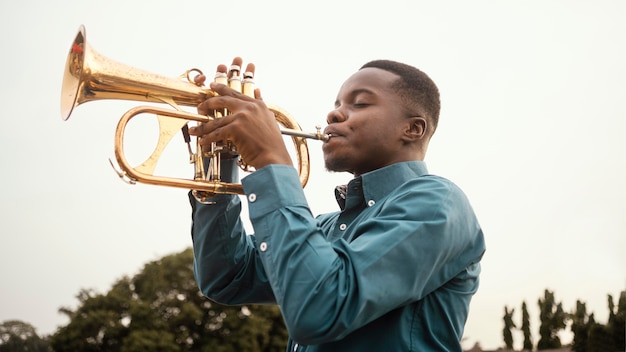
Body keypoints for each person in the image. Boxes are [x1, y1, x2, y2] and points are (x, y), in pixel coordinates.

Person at [188, 57, 486, 351]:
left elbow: (321, 306)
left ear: (412, 129)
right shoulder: (323, 226)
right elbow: (227, 277)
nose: (334, 115)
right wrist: (220, 159)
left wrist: (271, 159)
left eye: (360, 103)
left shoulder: (438, 202)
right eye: (336, 104)